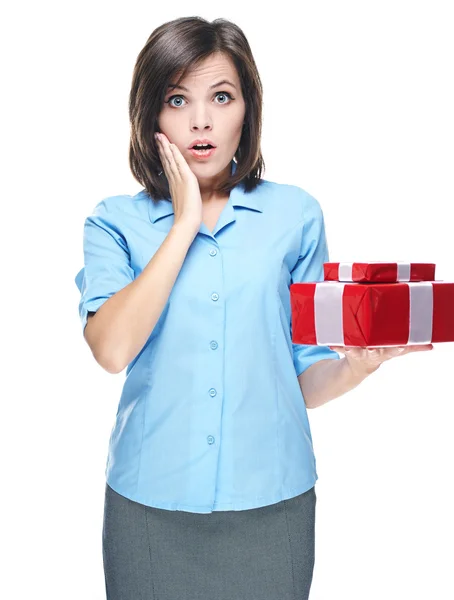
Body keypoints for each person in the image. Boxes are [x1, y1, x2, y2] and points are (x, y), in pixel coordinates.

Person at [74, 16, 433, 600]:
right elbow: (111, 351)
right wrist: (185, 222)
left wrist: (356, 366)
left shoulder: (296, 216)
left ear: (248, 108)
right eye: (176, 99)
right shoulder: (115, 222)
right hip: (149, 506)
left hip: (273, 506)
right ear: (150, 116)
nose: (200, 121)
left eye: (221, 96)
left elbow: (300, 374)